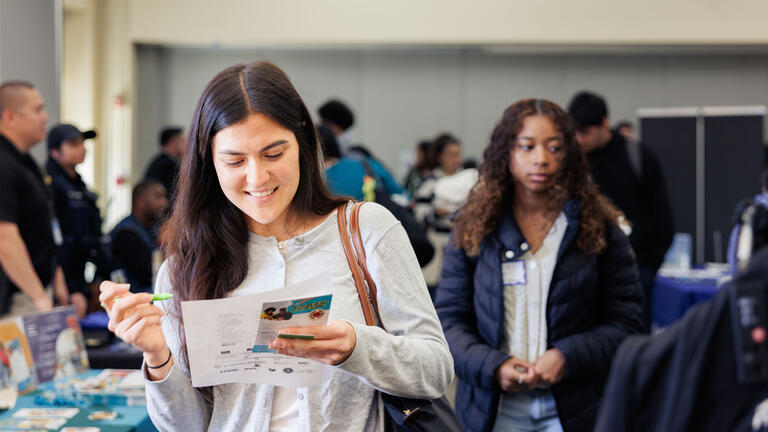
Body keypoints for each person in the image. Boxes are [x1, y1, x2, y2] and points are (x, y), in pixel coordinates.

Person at [99, 61, 452, 431]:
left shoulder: (366, 229)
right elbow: (188, 425)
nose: (257, 178)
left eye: (273, 154)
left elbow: (436, 370)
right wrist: (157, 354)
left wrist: (356, 347)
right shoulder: (186, 265)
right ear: (209, 161)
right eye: (235, 160)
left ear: (301, 140)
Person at [435, 99, 644, 432]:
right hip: (493, 410)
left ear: (570, 155)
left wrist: (568, 356)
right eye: (527, 147)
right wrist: (493, 366)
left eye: (555, 148)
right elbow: (448, 321)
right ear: (507, 152)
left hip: (577, 409)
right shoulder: (474, 228)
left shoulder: (598, 227)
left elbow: (628, 321)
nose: (541, 159)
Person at [568, 91, 673, 332]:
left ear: (605, 123)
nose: (580, 139)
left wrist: (649, 266)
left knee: (634, 344)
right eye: (575, 133)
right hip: (586, 272)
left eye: (585, 132)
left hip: (636, 270)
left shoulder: (638, 156)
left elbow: (662, 217)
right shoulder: (571, 162)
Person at [0, 81, 70, 317]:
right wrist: (38, 296)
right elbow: (4, 239)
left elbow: (45, 227)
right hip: (16, 296)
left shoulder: (26, 163)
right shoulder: (3, 163)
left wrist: (56, 278)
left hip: (35, 288)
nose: (45, 117)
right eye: (37, 110)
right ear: (10, 117)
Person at [46, 123, 112, 317]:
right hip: (61, 281)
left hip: (81, 272)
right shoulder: (50, 185)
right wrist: (70, 287)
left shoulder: (79, 184)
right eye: (74, 144)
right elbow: (55, 243)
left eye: (83, 143)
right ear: (55, 151)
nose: (82, 149)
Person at [109, 180, 168, 293]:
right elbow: (151, 272)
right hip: (132, 299)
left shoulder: (150, 229)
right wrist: (165, 243)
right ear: (141, 202)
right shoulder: (126, 233)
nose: (164, 203)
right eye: (158, 197)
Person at [145, 127, 184, 200]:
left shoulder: (160, 161)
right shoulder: (166, 165)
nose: (186, 144)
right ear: (172, 143)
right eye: (182, 141)